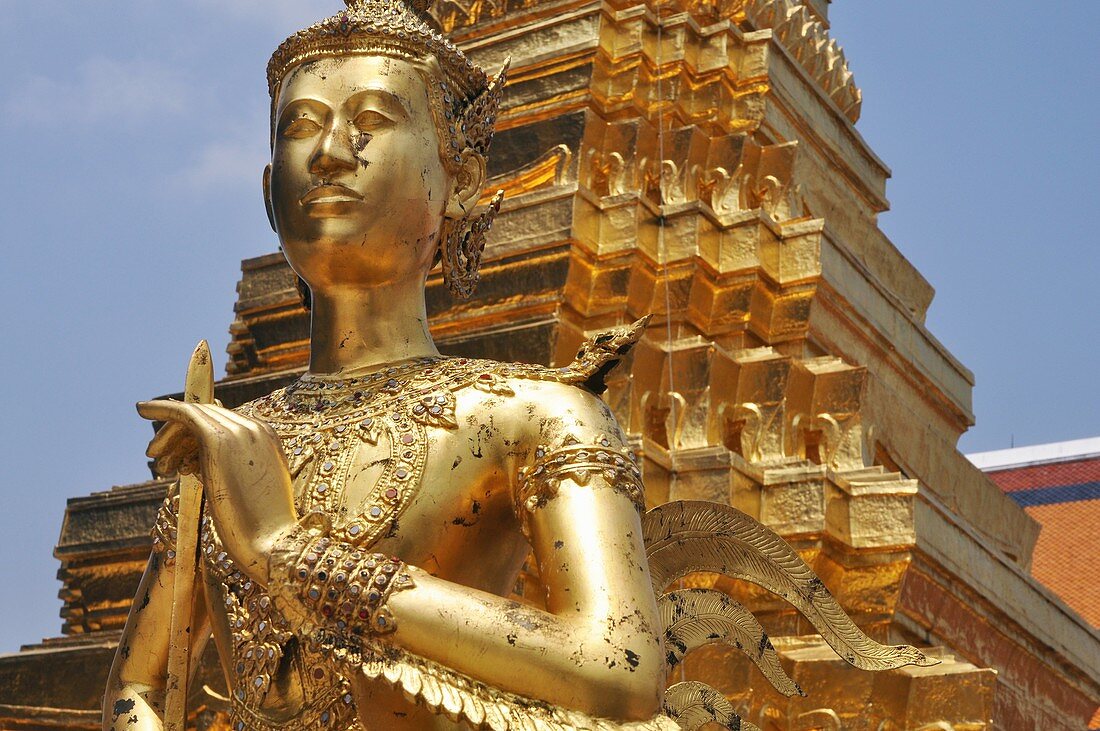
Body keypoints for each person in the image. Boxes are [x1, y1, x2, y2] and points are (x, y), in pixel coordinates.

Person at [102, 1, 676, 728]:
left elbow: (621, 666)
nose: (330, 152)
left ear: (459, 178)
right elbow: (133, 689)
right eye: (300, 128)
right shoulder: (229, 443)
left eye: (371, 120)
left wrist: (289, 551)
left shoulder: (533, 415)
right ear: (267, 194)